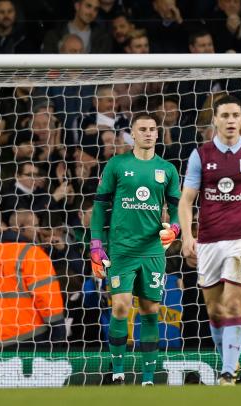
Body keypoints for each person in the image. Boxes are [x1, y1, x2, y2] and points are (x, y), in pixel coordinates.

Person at [177, 95, 241, 385]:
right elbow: (186, 201)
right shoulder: (201, 154)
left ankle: (227, 374)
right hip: (208, 242)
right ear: (215, 120)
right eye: (225, 115)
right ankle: (229, 363)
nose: (231, 120)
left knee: (233, 305)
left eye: (236, 115)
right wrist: (187, 236)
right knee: (215, 310)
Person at [90, 113, 181, 386]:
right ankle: (118, 372)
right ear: (133, 133)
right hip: (121, 250)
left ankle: (149, 378)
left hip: (153, 251)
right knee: (119, 307)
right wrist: (96, 243)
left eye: (153, 129)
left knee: (150, 309)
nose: (149, 133)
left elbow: (177, 210)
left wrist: (175, 230)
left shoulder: (167, 169)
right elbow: (99, 206)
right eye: (143, 129)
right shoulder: (117, 165)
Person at [0, 210, 64, 347]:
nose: (38, 230)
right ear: (20, 228)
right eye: (34, 225)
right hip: (31, 336)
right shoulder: (32, 254)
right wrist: (59, 332)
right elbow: (47, 298)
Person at [41, 0, 113, 54]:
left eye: (96, 9)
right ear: (77, 6)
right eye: (88, 6)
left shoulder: (103, 38)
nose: (91, 12)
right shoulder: (54, 35)